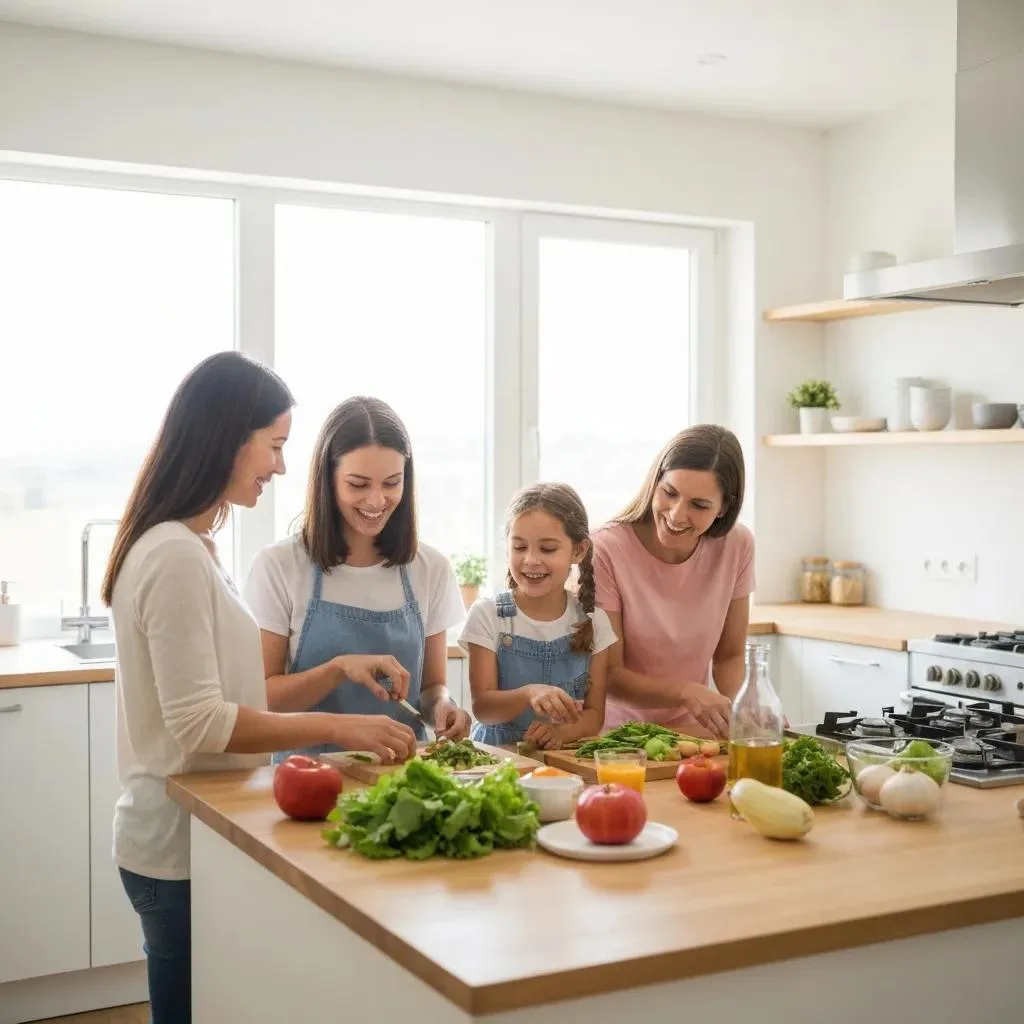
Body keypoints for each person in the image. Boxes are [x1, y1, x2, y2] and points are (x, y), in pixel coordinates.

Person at [101, 352, 417, 1024]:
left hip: (201, 829)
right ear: (226, 437)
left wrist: (335, 673)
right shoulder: (175, 556)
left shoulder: (191, 548)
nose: (279, 467)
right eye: (273, 446)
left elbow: (229, 694)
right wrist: (340, 726)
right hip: (175, 843)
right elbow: (202, 724)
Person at [244, 396, 471, 759]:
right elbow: (261, 699)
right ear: (328, 479)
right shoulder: (279, 566)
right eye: (359, 484)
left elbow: (431, 687)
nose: (377, 500)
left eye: (392, 483)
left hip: (403, 783)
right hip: (307, 782)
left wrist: (443, 707)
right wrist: (337, 670)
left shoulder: (431, 568)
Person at [591, 424, 754, 740]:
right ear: (655, 483)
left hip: (696, 735)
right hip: (617, 740)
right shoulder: (606, 550)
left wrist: (750, 708)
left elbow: (730, 657)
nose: (677, 515)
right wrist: (686, 693)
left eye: (699, 505)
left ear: (724, 508)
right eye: (670, 493)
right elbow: (609, 675)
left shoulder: (738, 545)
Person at [460, 482, 617, 749]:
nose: (531, 560)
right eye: (519, 547)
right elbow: (483, 708)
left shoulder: (594, 621)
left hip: (560, 764)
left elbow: (594, 716)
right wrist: (528, 694)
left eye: (547, 549)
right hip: (498, 761)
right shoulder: (488, 615)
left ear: (578, 551)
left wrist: (563, 733)